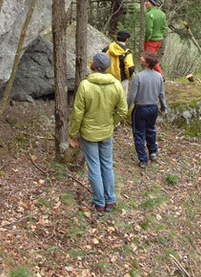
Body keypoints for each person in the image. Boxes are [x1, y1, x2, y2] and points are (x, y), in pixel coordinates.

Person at [69, 52, 128, 215]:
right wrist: (111, 121)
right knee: (107, 166)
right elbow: (123, 109)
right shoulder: (116, 84)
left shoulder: (85, 85)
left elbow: (77, 113)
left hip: (89, 133)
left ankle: (99, 203)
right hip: (106, 132)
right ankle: (110, 201)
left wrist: (73, 134)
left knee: (94, 167)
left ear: (94, 66)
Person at [127, 52, 168, 168]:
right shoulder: (159, 77)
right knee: (151, 130)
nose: (140, 58)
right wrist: (164, 107)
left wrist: (126, 108)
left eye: (143, 58)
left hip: (140, 108)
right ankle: (153, 152)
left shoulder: (138, 77)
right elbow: (161, 94)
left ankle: (143, 159)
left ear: (147, 62)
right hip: (153, 108)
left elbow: (131, 96)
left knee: (139, 133)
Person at [103, 30, 135, 96]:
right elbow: (130, 68)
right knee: (121, 102)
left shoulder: (107, 49)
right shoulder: (127, 52)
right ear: (126, 39)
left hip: (107, 79)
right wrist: (128, 77)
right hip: (121, 81)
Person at [144, 0, 168, 76]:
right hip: (159, 40)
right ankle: (154, 76)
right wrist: (160, 35)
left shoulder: (149, 14)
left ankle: (160, 76)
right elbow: (165, 27)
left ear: (151, 3)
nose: (145, 3)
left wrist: (147, 39)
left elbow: (148, 30)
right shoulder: (162, 14)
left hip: (151, 41)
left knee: (150, 60)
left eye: (147, 2)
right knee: (152, 58)